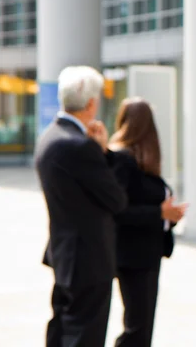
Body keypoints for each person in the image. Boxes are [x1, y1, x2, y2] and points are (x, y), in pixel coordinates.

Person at [35, 66, 128, 347]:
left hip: (64, 254)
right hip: (89, 259)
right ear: (91, 104)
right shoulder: (80, 146)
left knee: (62, 328)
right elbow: (117, 199)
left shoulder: (49, 137)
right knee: (85, 334)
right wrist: (103, 151)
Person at [107, 97, 187, 347]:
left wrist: (169, 217)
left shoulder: (141, 160)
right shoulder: (123, 158)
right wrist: (159, 214)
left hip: (145, 253)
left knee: (141, 327)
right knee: (137, 329)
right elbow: (117, 210)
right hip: (133, 256)